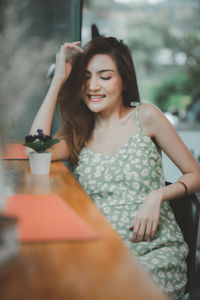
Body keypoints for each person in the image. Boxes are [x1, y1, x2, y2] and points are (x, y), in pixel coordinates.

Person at [28, 37, 200, 299]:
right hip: (97, 253)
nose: (93, 86)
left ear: (124, 81)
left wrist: (159, 194)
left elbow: (195, 174)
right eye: (86, 77)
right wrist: (57, 80)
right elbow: (35, 149)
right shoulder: (79, 132)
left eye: (105, 76)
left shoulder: (147, 117)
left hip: (153, 253)